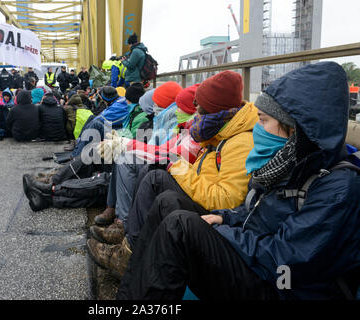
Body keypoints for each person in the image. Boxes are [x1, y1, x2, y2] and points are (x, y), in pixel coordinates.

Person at [117, 62, 360, 300]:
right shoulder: (291, 162)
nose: (258, 129)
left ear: (294, 128)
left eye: (263, 121)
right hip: (258, 258)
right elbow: (257, 211)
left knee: (179, 226)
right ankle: (135, 276)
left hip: (281, 286)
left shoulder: (338, 188)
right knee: (168, 204)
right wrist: (228, 218)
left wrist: (223, 232)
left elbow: (284, 258)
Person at [88, 71, 259, 278]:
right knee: (148, 171)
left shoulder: (235, 141)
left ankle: (127, 248)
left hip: (216, 214)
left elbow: (226, 199)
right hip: (204, 198)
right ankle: (126, 238)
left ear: (214, 111)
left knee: (153, 177)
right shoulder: (217, 130)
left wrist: (177, 167)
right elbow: (172, 154)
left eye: (200, 109)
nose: (195, 114)